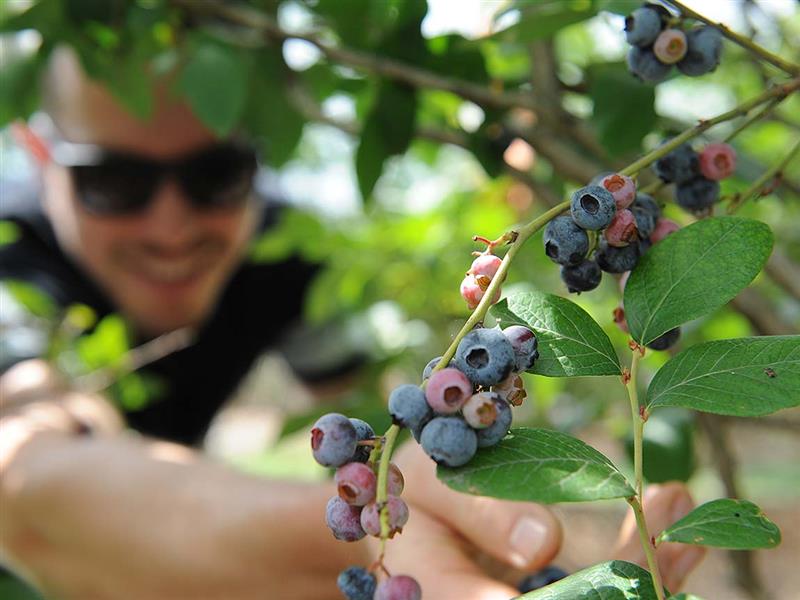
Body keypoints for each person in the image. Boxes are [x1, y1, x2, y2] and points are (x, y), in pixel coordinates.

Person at [0, 46, 704, 599]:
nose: (172, 225)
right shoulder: (10, 251)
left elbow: (376, 424)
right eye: (114, 181)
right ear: (38, 154)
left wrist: (451, 519)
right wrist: (360, 537)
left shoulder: (284, 259)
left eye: (216, 174)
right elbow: (25, 472)